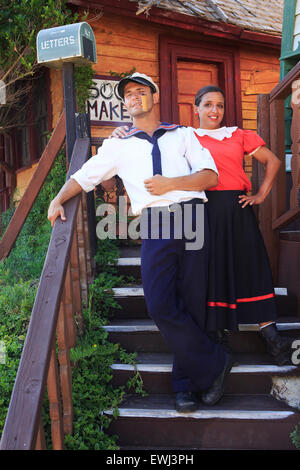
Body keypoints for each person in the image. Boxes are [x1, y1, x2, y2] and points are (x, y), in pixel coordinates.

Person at [48, 73, 233, 413]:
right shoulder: (119, 144)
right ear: (125, 104)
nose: (133, 97)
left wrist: (171, 183)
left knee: (191, 301)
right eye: (128, 94)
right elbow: (86, 175)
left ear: (155, 95)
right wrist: (58, 198)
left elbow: (211, 176)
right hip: (157, 221)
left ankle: (186, 385)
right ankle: (214, 362)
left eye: (140, 91)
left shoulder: (183, 134)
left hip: (192, 215)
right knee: (160, 303)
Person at [111, 84, 295, 367]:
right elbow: (146, 138)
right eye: (208, 104)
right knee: (211, 272)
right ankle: (217, 339)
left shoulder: (237, 135)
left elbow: (271, 161)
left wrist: (260, 195)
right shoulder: (183, 136)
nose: (215, 111)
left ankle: (270, 336)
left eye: (220, 105)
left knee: (252, 265)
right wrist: (120, 131)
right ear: (195, 108)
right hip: (202, 209)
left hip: (236, 209)